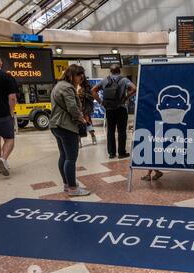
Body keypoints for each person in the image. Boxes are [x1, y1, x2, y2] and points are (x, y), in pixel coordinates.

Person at [49, 64, 90, 197]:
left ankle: (67, 184)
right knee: (71, 158)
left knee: (64, 156)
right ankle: (73, 188)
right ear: (71, 75)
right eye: (79, 75)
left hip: (56, 125)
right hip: (66, 126)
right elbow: (72, 107)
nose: (81, 78)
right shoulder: (67, 87)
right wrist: (81, 119)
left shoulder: (58, 85)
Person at [92, 64, 136, 159]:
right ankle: (121, 153)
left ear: (110, 71)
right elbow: (134, 88)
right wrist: (126, 97)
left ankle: (111, 153)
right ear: (119, 71)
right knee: (121, 131)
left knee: (110, 131)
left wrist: (101, 102)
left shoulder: (105, 80)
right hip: (121, 108)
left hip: (109, 109)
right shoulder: (124, 80)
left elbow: (93, 90)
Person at [78, 75, 97, 146]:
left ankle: (93, 137)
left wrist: (84, 94)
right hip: (77, 108)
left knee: (88, 122)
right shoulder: (73, 85)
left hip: (86, 108)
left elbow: (92, 97)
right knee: (77, 124)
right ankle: (79, 142)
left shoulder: (88, 86)